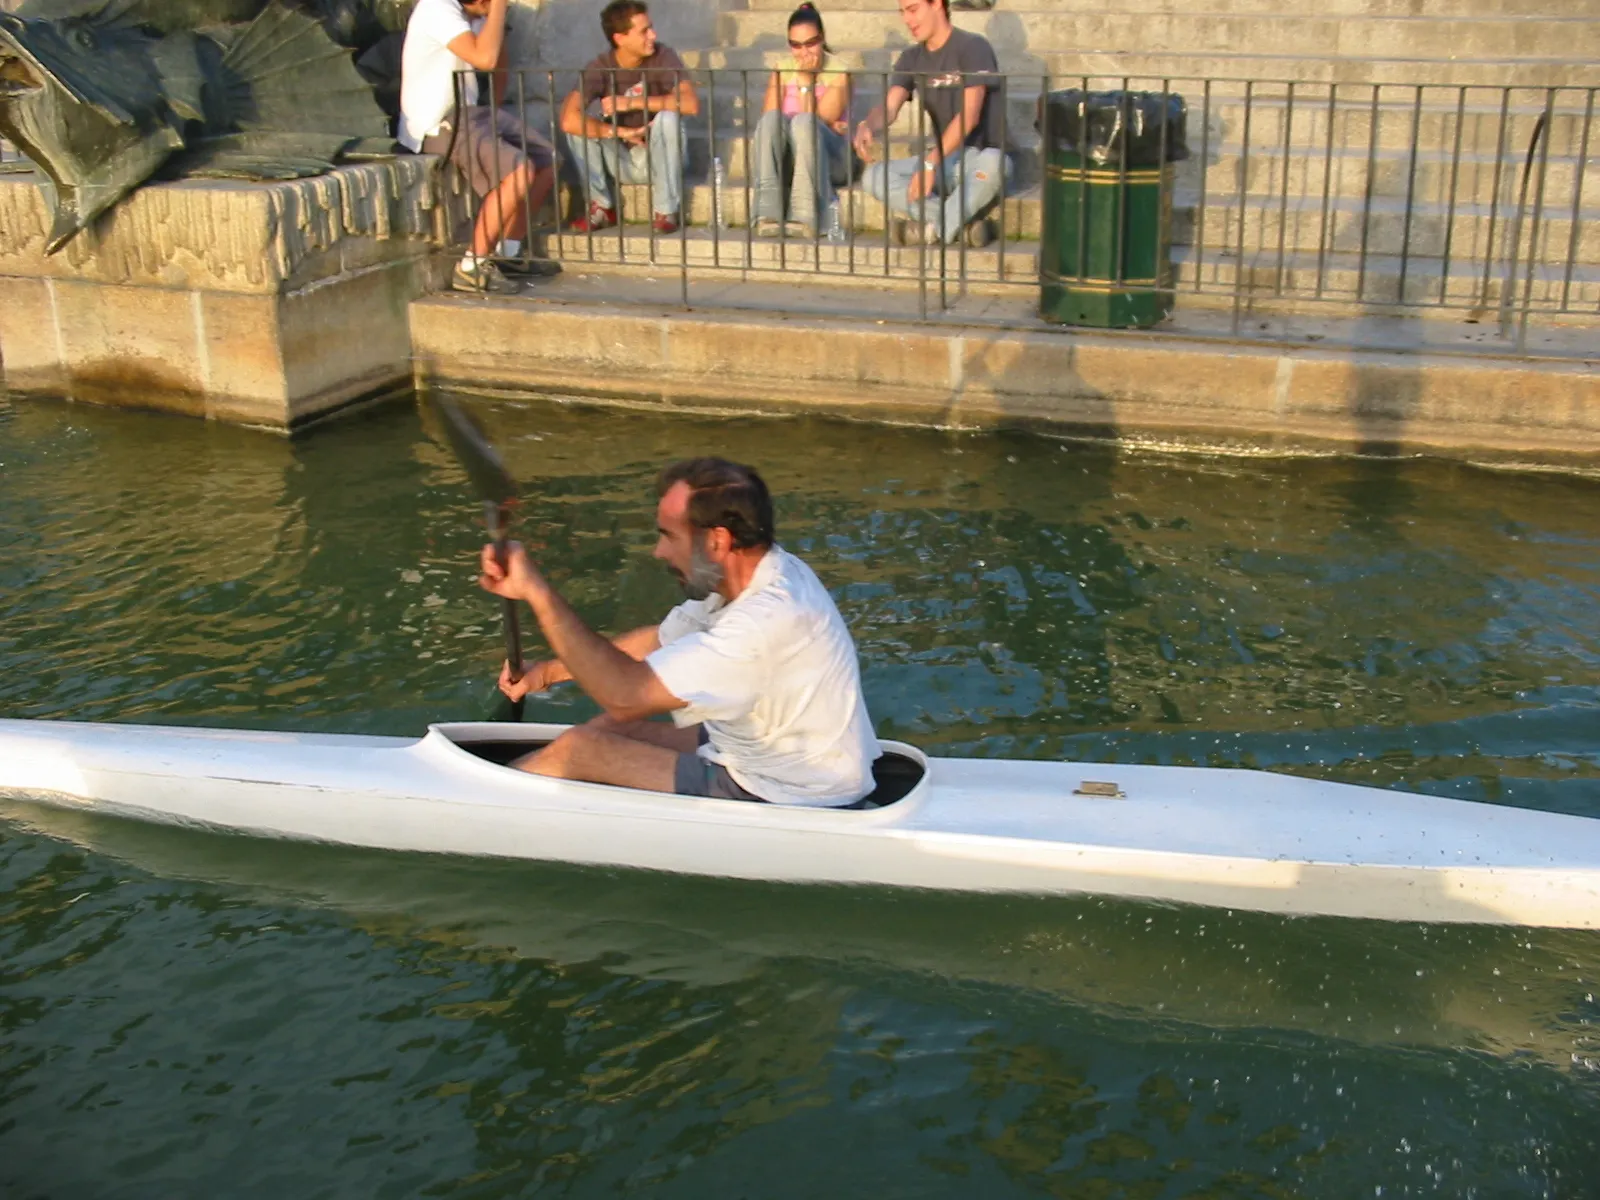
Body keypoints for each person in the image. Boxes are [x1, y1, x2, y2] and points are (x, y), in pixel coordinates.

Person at [478, 457, 881, 807]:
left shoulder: (761, 624)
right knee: (609, 729)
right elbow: (657, 641)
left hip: (791, 794)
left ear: (716, 541)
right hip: (776, 754)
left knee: (579, 750)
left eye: (669, 536)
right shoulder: (759, 572)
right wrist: (548, 673)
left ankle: (480, 806)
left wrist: (537, 592)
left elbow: (626, 696)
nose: (659, 551)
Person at [399, 0, 560, 294]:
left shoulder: (472, 12)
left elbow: (498, 59)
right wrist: (496, 7)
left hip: (474, 113)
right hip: (439, 121)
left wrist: (494, 107)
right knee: (519, 171)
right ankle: (471, 266)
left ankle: (509, 252)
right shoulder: (436, 7)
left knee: (547, 160)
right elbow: (484, 59)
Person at [853, 0, 1010, 246]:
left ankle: (930, 231)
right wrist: (867, 125)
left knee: (994, 164)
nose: (907, 20)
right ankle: (959, 227)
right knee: (874, 176)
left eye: (913, 9)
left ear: (937, 4)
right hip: (945, 161)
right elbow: (889, 107)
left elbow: (969, 116)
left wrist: (929, 163)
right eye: (903, 12)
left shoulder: (973, 47)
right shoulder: (911, 58)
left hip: (982, 157)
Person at [560, 0, 699, 234]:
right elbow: (567, 119)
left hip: (660, 155)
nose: (653, 35)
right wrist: (620, 132)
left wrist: (631, 102)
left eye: (651, 28)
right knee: (578, 125)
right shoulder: (600, 67)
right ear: (620, 38)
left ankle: (666, 211)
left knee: (668, 117)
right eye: (644, 31)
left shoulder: (663, 56)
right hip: (620, 157)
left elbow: (690, 104)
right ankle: (602, 207)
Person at [749, 3, 852, 238]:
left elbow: (817, 122)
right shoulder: (782, 69)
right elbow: (769, 124)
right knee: (771, 120)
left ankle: (807, 214)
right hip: (791, 158)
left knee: (804, 123)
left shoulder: (840, 72)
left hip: (831, 157)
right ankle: (767, 212)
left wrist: (805, 81)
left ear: (822, 38)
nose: (804, 52)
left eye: (811, 43)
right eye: (796, 45)